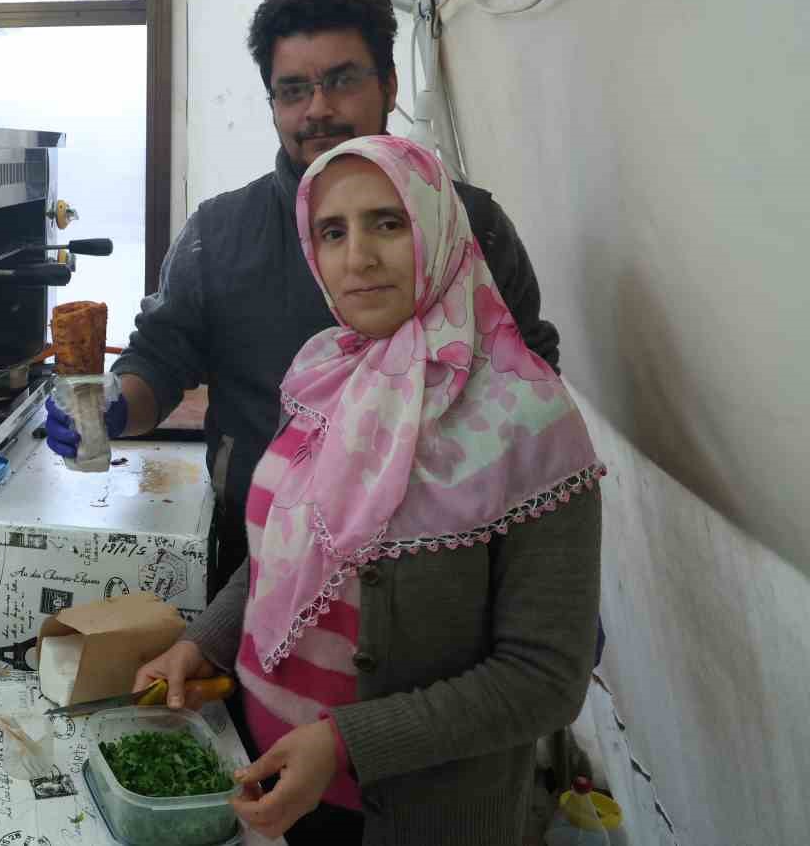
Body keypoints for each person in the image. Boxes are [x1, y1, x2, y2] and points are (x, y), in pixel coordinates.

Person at [131, 135, 603, 845]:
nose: (359, 256)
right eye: (332, 231)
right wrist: (206, 642)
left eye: (389, 222)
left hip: (415, 819)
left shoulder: (528, 420)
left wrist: (344, 742)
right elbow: (286, 551)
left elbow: (545, 677)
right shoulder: (323, 374)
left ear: (439, 227)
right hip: (267, 782)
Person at [43, 0, 560, 589]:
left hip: (447, 565)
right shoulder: (221, 234)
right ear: (272, 105)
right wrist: (113, 405)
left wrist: (543, 570)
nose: (318, 108)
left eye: (342, 80)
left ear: (389, 87)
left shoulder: (471, 229)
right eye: (294, 90)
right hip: (261, 562)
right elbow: (160, 357)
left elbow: (531, 382)